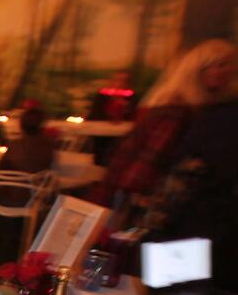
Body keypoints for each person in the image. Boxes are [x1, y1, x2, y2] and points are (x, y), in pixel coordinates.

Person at [95, 39, 236, 225]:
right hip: (153, 199)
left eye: (227, 65)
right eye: (216, 65)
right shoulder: (178, 109)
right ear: (197, 70)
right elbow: (150, 156)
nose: (223, 71)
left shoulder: (202, 108)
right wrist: (132, 193)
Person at [0, 107, 55, 174]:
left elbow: (1, 169)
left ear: (21, 125)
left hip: (11, 182)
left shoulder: (15, 145)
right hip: (36, 183)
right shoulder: (48, 145)